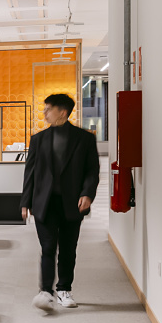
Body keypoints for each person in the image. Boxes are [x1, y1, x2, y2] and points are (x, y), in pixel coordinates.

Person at [20, 93, 100, 311]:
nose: (45, 113)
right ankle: (46, 291)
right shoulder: (38, 139)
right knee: (47, 247)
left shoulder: (85, 139)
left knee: (67, 248)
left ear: (62, 112)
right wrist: (25, 202)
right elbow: (31, 173)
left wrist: (88, 193)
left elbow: (92, 171)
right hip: (44, 203)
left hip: (73, 203)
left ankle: (64, 288)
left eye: (48, 109)